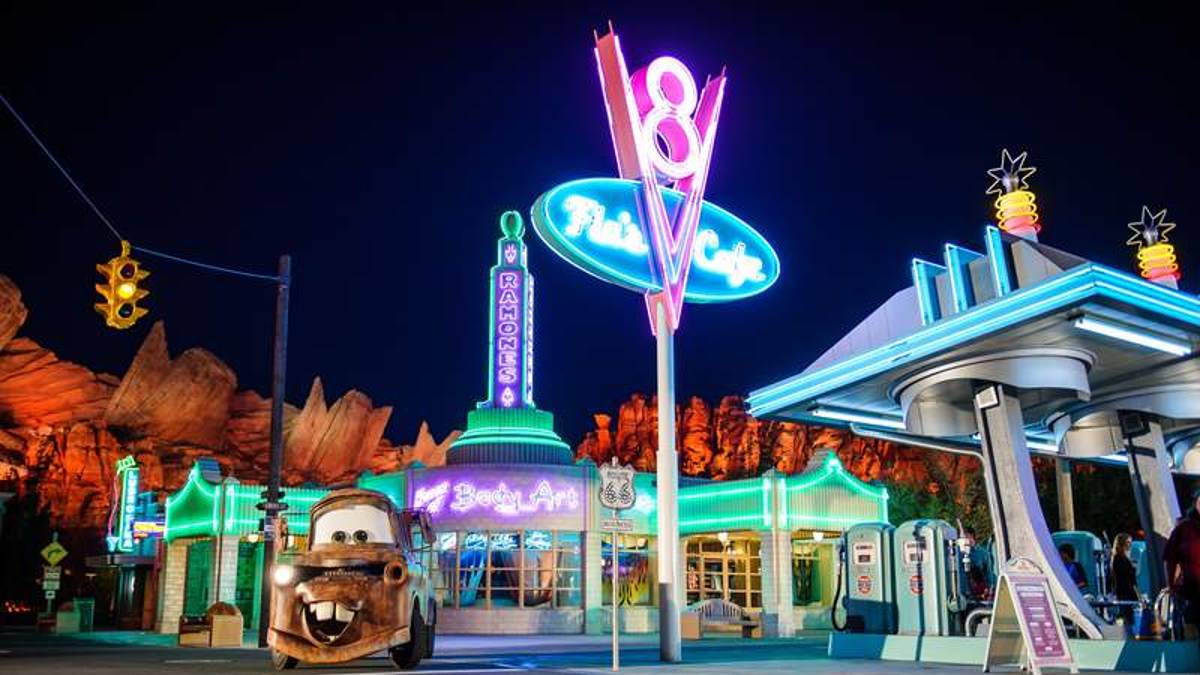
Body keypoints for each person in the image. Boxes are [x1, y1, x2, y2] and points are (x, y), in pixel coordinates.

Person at [1164, 487, 1200, 639]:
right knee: (1191, 627)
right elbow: (1170, 558)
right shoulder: (1184, 529)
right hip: (1191, 594)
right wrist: (1171, 585)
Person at [1109, 533, 1138, 630]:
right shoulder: (1118, 558)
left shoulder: (1123, 558)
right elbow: (1126, 578)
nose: (1129, 545)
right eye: (1127, 543)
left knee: (1127, 617)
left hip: (1127, 592)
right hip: (1124, 592)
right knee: (1125, 617)